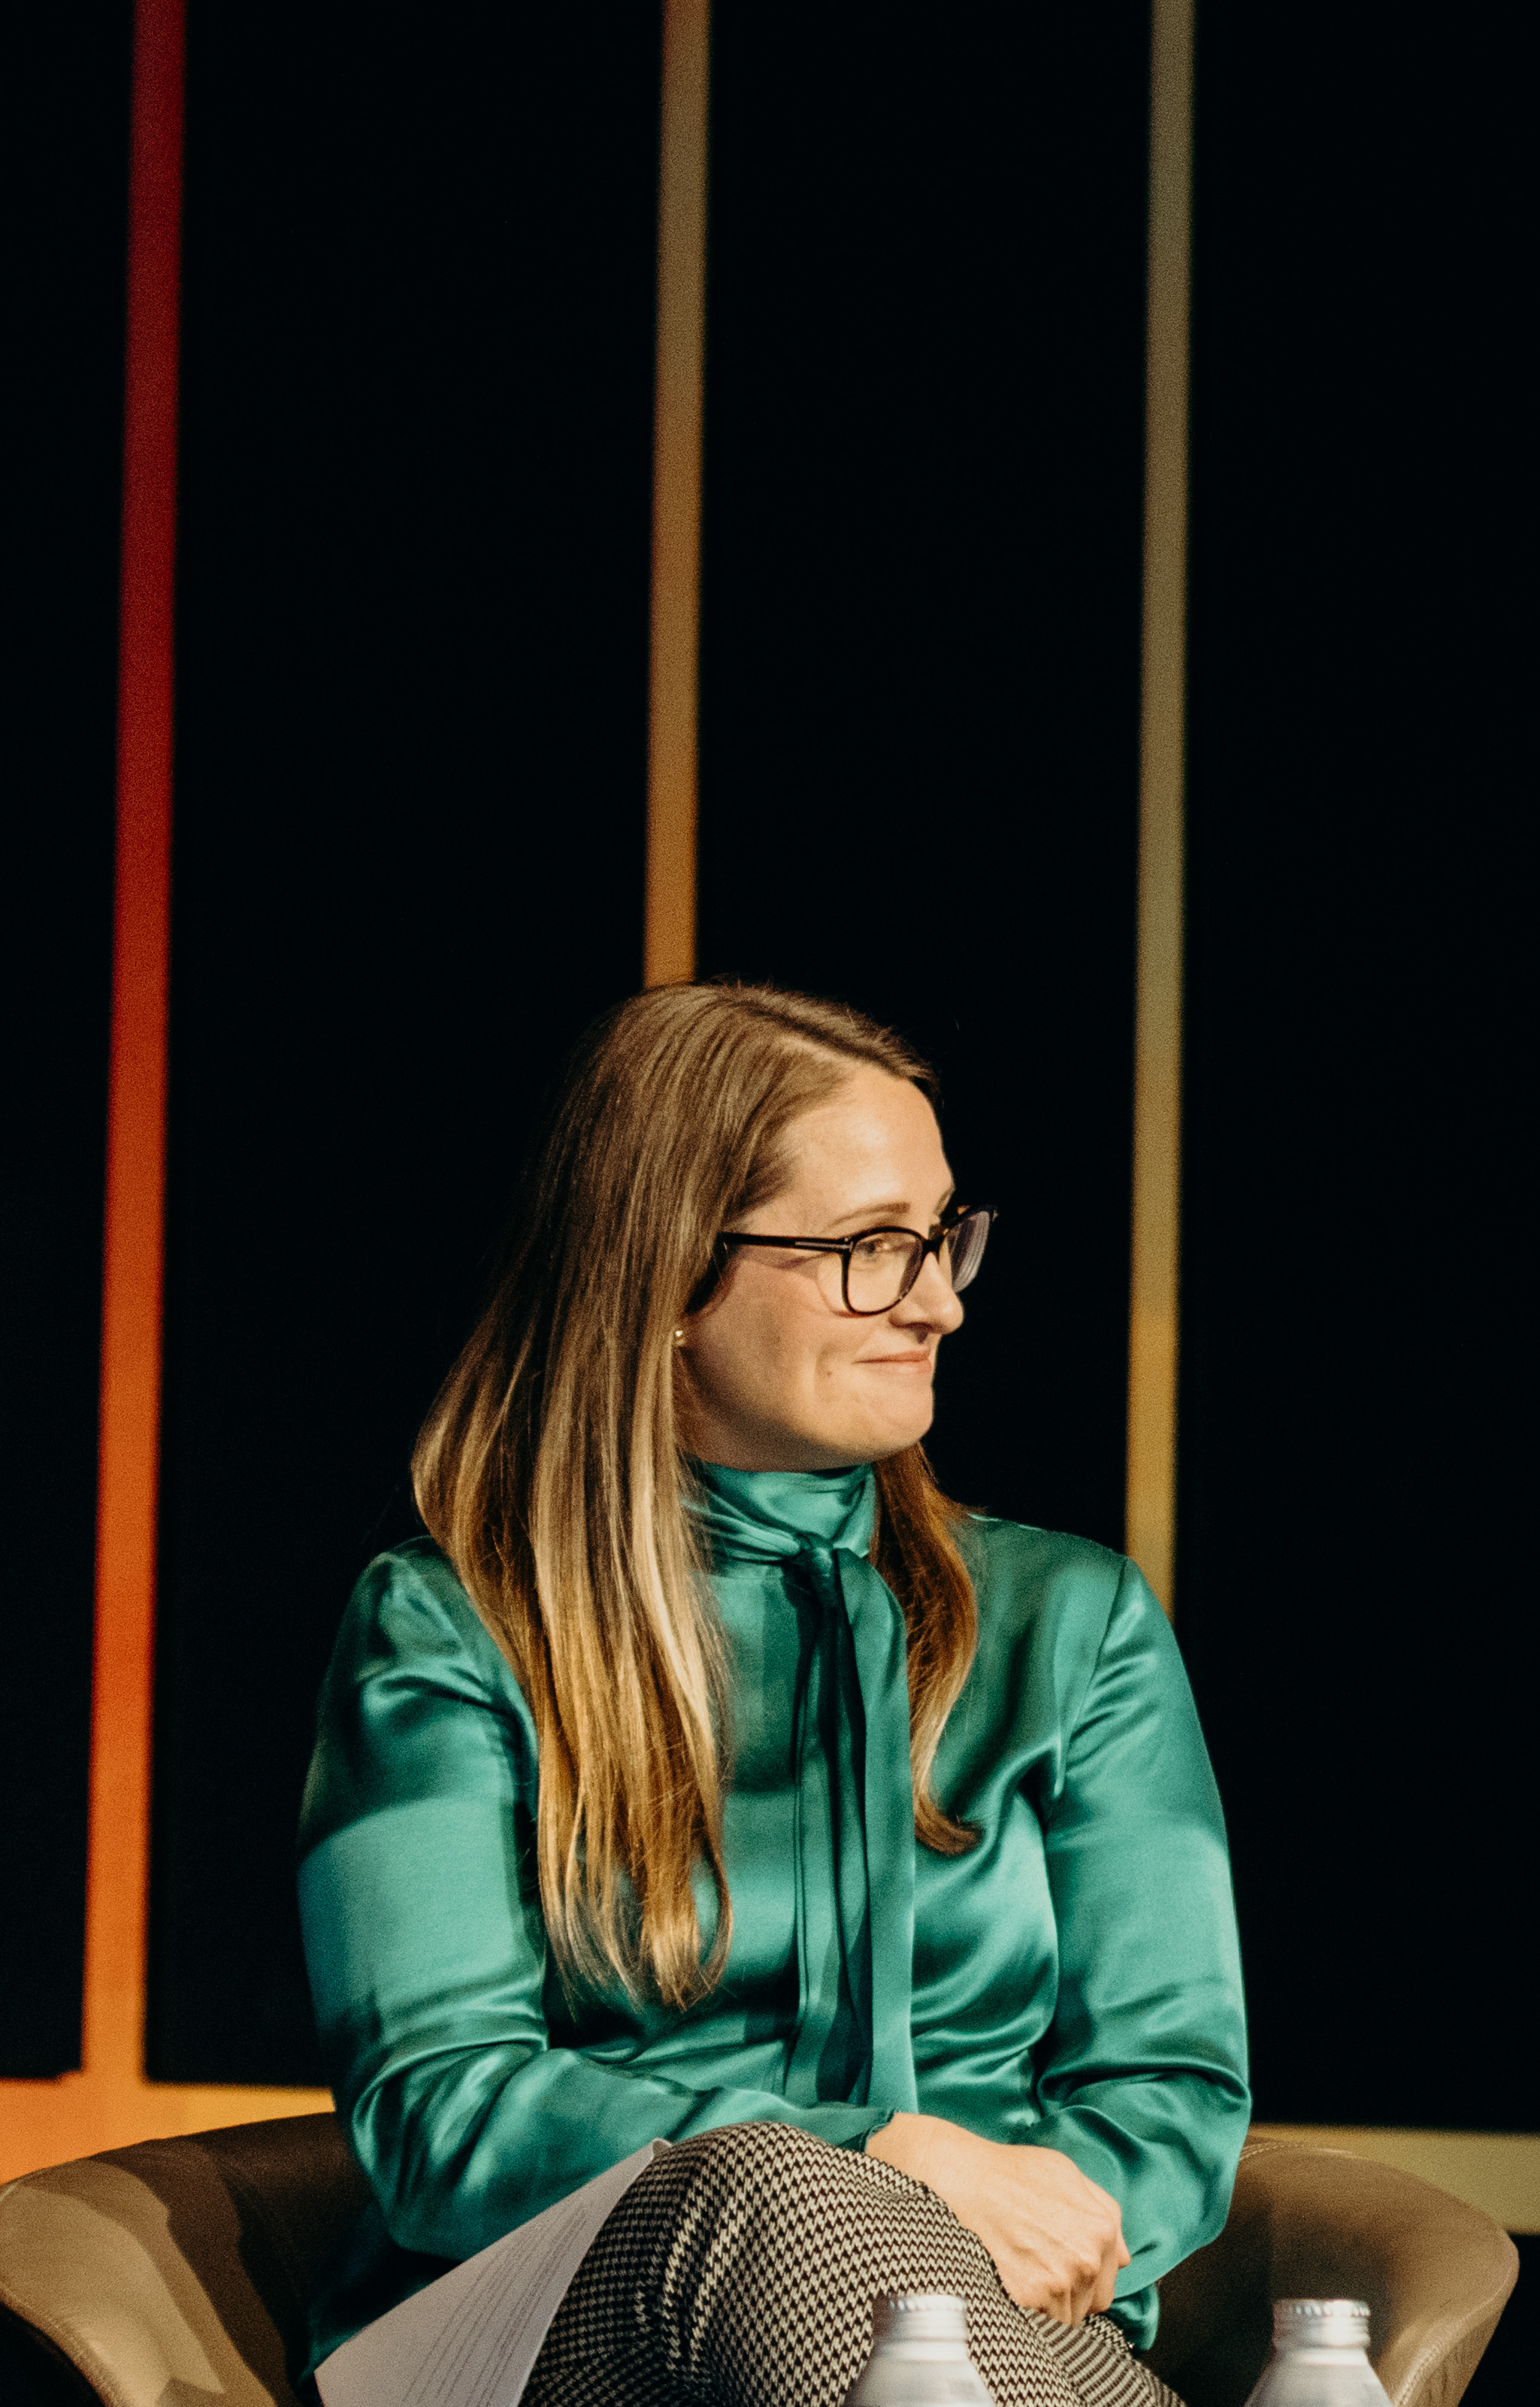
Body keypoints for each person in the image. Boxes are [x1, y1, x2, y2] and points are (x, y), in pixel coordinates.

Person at [297, 982, 1247, 2406]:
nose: (938, 1301)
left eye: (941, 1240)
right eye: (871, 1248)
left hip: (1005, 2335)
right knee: (765, 2187)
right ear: (670, 1273)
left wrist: (956, 2258)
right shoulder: (452, 1627)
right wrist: (882, 2156)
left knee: (906, 2326)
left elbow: (1169, 2096)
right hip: (561, 2336)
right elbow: (442, 2119)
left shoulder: (1074, 1622)